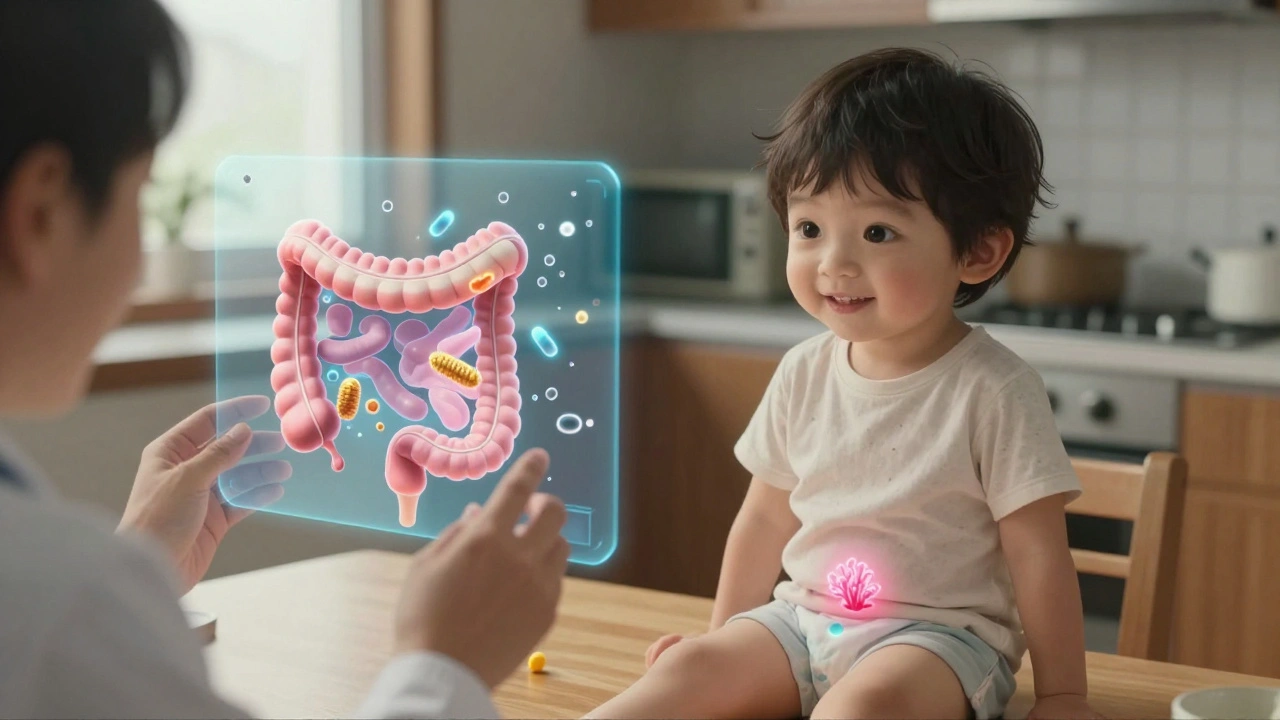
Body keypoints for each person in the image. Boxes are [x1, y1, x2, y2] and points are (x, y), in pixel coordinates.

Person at [0, 2, 569, 718]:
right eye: (140, 197)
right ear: (43, 211)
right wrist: (444, 663)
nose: (140, 257)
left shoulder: (57, 594)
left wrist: (135, 568)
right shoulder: (58, 603)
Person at [587, 48, 1105, 720]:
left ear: (978, 251)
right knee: (684, 671)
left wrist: (1064, 696)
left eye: (878, 231)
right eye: (809, 228)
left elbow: (1038, 554)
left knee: (861, 709)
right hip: (801, 623)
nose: (833, 264)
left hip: (938, 643)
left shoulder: (995, 390)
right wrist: (722, 642)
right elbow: (763, 520)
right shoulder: (804, 370)